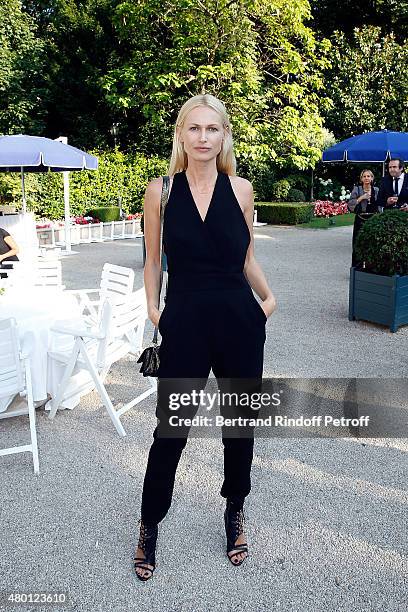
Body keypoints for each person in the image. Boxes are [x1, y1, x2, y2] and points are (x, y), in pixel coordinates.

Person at [134, 94, 276, 581]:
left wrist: (268, 301)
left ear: (223, 136)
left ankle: (235, 508)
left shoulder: (241, 189)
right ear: (181, 134)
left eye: (211, 129)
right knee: (170, 430)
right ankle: (149, 523)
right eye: (193, 129)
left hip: (240, 320)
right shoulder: (161, 192)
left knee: (240, 426)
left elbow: (246, 258)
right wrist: (155, 312)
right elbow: (153, 261)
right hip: (186, 322)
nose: (202, 138)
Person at [347, 170, 379, 267]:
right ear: (361, 179)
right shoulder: (357, 189)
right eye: (364, 176)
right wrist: (361, 198)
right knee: (357, 243)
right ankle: (357, 268)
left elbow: (380, 204)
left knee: (372, 243)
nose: (366, 178)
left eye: (368, 176)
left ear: (372, 178)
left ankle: (371, 268)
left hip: (373, 219)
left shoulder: (376, 190)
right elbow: (350, 204)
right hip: (360, 218)